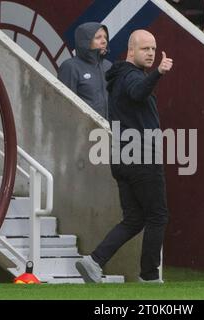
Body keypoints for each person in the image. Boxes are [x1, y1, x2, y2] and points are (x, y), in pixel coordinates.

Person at [75, 30, 173, 283]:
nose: (151, 53)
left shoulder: (120, 77)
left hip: (122, 157)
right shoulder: (131, 76)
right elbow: (139, 91)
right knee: (157, 216)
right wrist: (158, 74)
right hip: (141, 156)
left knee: (134, 219)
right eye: (145, 49)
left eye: (153, 48)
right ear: (131, 51)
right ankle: (150, 277)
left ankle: (94, 261)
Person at [58, 22, 111, 119]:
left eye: (105, 37)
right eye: (98, 37)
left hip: (110, 130)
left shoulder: (108, 65)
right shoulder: (70, 67)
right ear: (85, 41)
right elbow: (64, 105)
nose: (104, 41)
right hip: (83, 130)